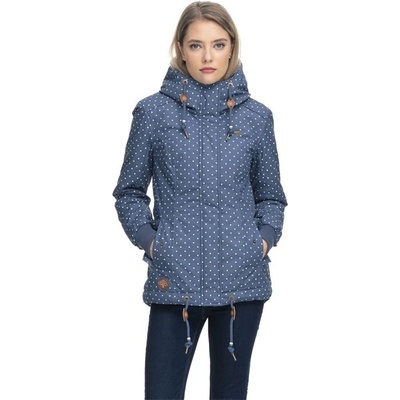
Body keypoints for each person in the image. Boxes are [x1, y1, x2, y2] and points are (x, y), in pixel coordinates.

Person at [112, 2, 287, 399]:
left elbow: (271, 196)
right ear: (180, 48)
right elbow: (129, 192)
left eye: (218, 44)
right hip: (174, 282)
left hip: (242, 284)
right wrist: (153, 243)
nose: (208, 56)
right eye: (196, 45)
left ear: (232, 47)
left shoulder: (257, 118)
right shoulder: (152, 113)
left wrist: (260, 241)